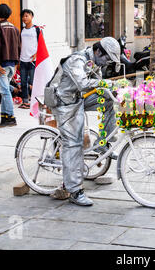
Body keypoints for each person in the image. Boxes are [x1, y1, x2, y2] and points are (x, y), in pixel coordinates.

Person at [48, 37, 121, 206]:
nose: (107, 62)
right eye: (107, 58)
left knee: (109, 100)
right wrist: (104, 82)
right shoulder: (77, 60)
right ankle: (74, 190)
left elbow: (98, 87)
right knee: (74, 143)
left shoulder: (95, 63)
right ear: (98, 51)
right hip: (64, 102)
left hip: (79, 98)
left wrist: (115, 88)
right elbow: (83, 83)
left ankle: (104, 143)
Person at [0, 3, 21, 128]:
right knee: (4, 91)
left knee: (4, 91)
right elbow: (19, 46)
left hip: (2, 64)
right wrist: (16, 64)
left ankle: (10, 117)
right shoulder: (15, 28)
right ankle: (4, 117)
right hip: (11, 65)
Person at [18, 9, 39, 109]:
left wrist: (36, 54)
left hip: (32, 60)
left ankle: (36, 101)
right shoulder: (22, 30)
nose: (24, 18)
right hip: (23, 59)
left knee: (33, 82)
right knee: (23, 82)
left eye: (27, 16)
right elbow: (20, 43)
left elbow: (41, 44)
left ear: (32, 17)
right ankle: (25, 102)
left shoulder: (37, 29)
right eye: (23, 16)